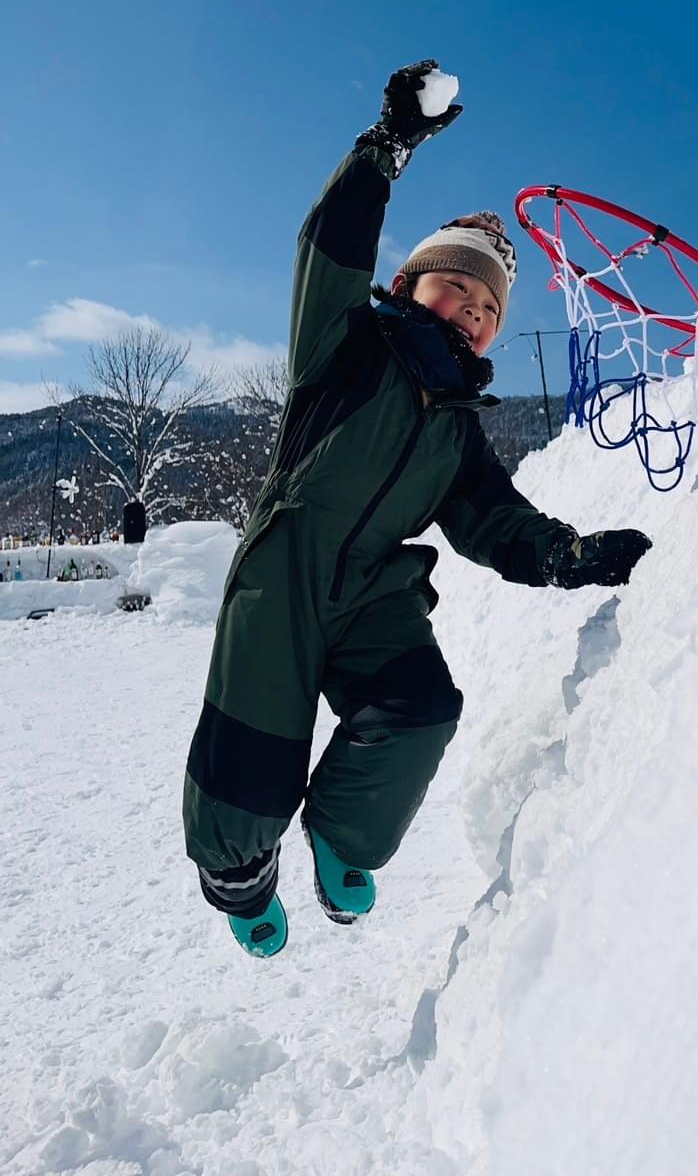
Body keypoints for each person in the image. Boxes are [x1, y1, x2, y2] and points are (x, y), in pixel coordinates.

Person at [182, 60, 652, 957]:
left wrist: (566, 553)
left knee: (422, 707)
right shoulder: (344, 345)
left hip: (373, 587)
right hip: (286, 568)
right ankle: (237, 872)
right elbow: (331, 246)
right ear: (408, 286)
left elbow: (492, 517)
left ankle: (341, 838)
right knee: (252, 759)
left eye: (487, 309)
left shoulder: (459, 427)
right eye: (455, 288)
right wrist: (385, 148)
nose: (471, 312)